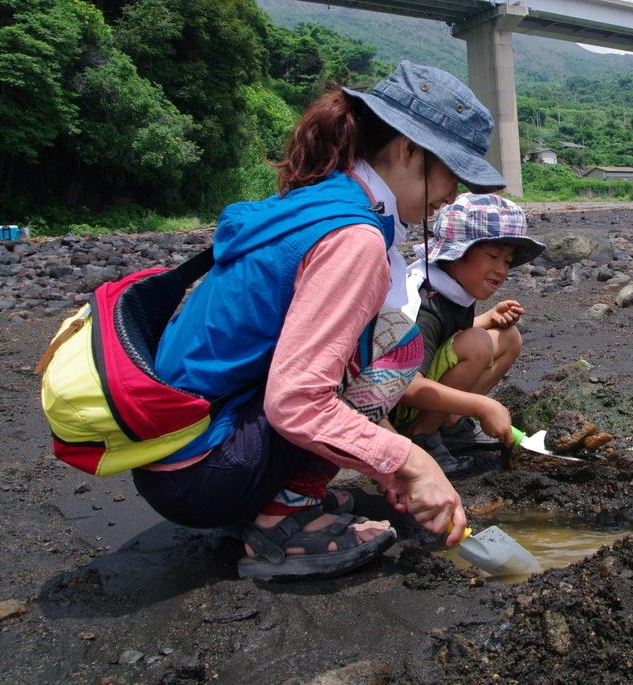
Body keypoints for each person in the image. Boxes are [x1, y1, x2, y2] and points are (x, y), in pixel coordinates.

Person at [131, 61, 507, 579]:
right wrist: (408, 461)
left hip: (172, 452)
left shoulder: (318, 198)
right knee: (398, 346)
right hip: (203, 474)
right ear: (407, 150)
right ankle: (284, 517)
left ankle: (278, 494)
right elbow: (296, 400)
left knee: (381, 337)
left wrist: (382, 459)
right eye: (453, 173)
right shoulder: (354, 237)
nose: (453, 194)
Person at [393, 193, 546, 475]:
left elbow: (447, 335)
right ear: (455, 254)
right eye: (492, 256)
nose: (501, 269)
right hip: (395, 404)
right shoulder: (423, 305)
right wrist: (481, 406)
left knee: (508, 337)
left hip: (421, 389)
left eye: (508, 261)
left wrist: (488, 318)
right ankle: (421, 436)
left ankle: (450, 424)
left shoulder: (453, 288)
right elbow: (405, 386)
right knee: (476, 345)